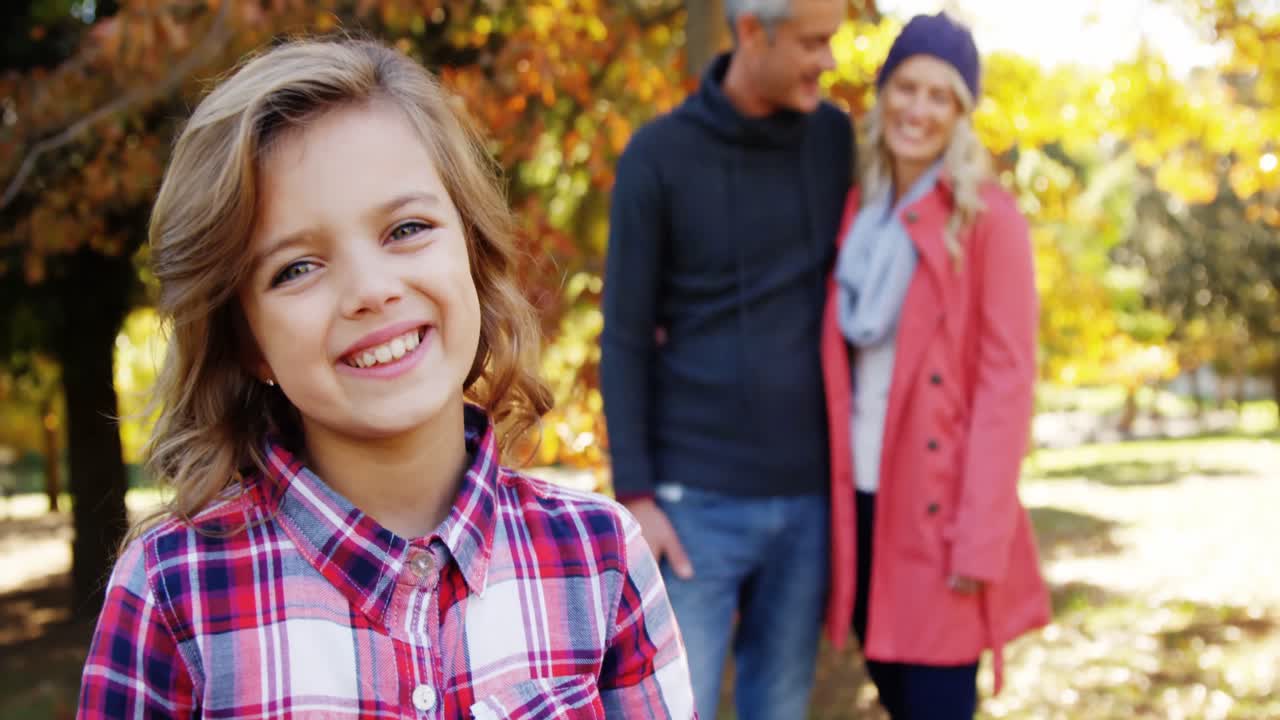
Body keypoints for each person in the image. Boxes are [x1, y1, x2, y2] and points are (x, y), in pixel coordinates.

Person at [77, 38, 695, 719]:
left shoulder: (599, 558)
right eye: (297, 268)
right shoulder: (172, 592)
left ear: (473, 251)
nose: (370, 291)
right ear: (247, 341)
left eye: (406, 228)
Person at [600, 1, 852, 717]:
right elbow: (623, 334)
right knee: (674, 708)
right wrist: (638, 495)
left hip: (807, 502)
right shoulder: (658, 156)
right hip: (693, 506)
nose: (829, 62)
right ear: (751, 32)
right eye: (813, 43)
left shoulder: (833, 140)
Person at [819, 13, 1051, 719]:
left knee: (937, 703)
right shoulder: (861, 208)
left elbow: (1006, 387)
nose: (917, 109)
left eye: (939, 96)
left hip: (938, 516)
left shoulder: (988, 220)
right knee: (894, 693)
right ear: (884, 91)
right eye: (906, 87)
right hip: (860, 503)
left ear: (961, 115)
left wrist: (980, 540)